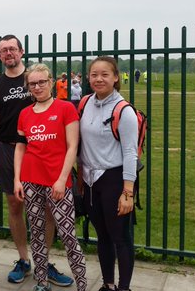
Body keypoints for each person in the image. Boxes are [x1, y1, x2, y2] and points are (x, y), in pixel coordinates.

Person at [0, 35, 73, 286]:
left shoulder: (34, 79)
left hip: (38, 152)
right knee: (14, 205)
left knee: (47, 210)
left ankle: (44, 262)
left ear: (21, 51)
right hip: (7, 150)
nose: (8, 53)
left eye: (12, 48)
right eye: (3, 50)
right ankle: (24, 260)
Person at [13, 64, 86, 291]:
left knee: (67, 236)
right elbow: (20, 148)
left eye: (42, 82)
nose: (37, 87)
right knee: (36, 232)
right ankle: (42, 282)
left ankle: (82, 284)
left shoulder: (65, 109)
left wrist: (62, 179)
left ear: (51, 82)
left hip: (57, 181)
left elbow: (72, 146)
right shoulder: (24, 113)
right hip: (30, 179)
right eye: (32, 83)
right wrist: (17, 179)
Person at [78, 56, 138, 291]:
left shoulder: (123, 110)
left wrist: (128, 192)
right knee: (102, 236)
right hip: (91, 181)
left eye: (105, 74)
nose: (99, 79)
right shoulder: (84, 103)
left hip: (115, 179)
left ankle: (124, 287)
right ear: (88, 78)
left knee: (120, 238)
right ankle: (108, 284)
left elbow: (131, 153)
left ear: (116, 78)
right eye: (94, 74)